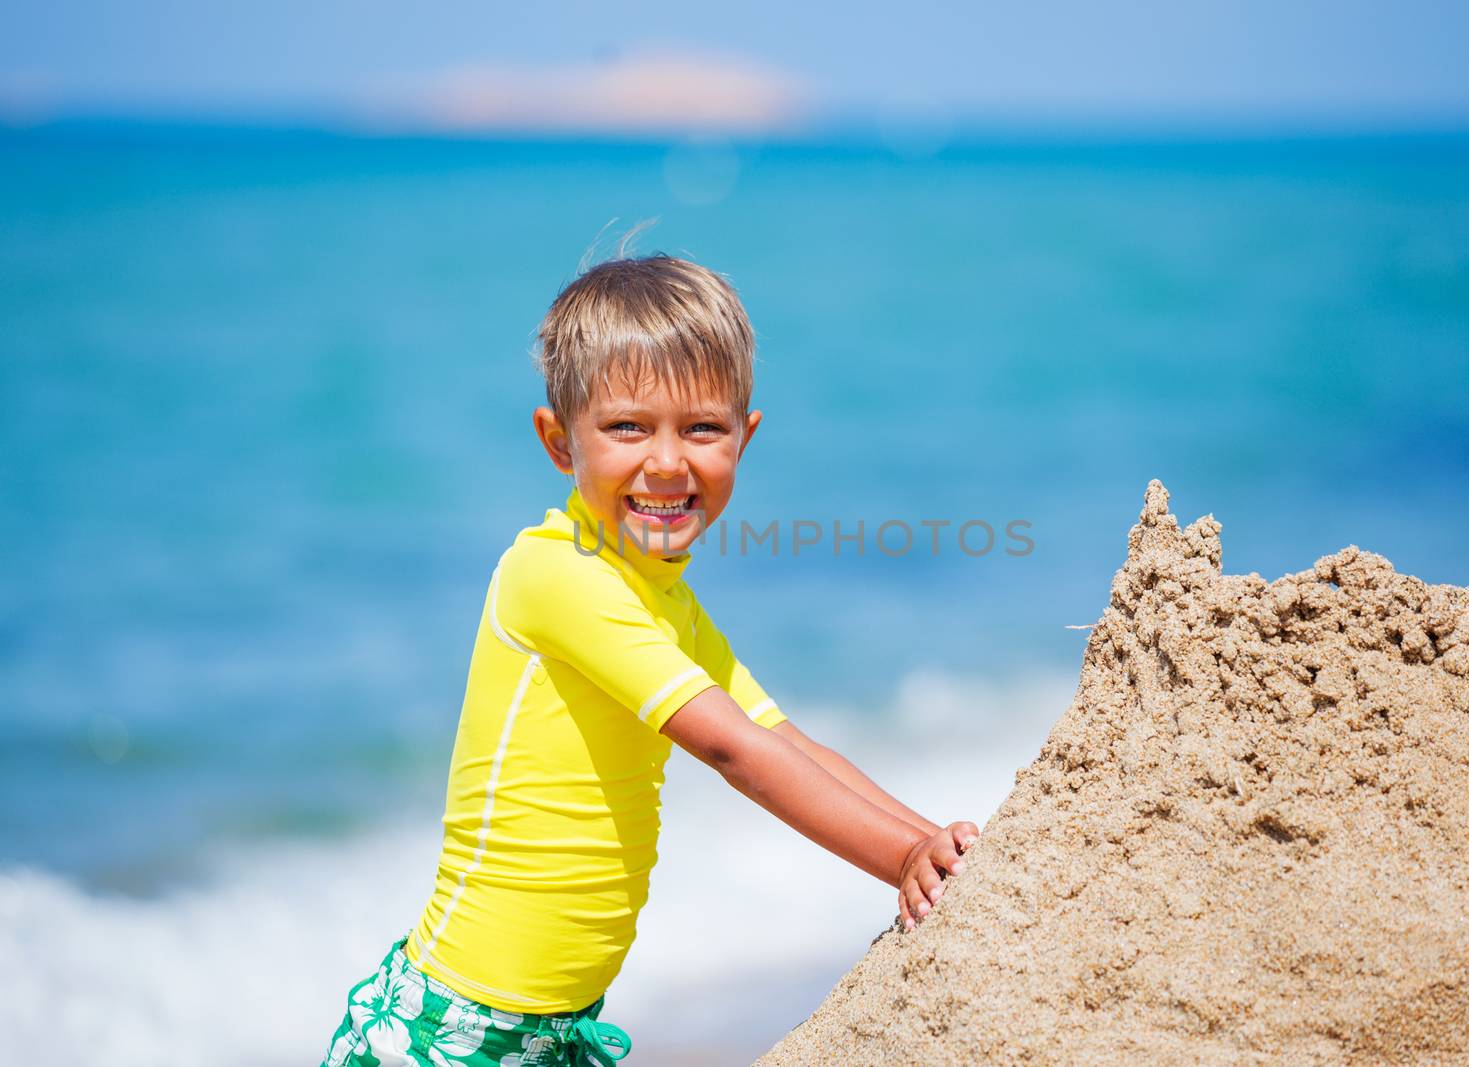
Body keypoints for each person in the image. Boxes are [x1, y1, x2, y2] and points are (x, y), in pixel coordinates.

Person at [321, 252, 978, 1066]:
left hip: (555, 1029)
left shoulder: (662, 597)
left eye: (702, 428)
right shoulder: (557, 573)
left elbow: (783, 738)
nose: (667, 461)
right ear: (559, 442)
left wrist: (944, 855)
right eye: (628, 427)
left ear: (747, 435)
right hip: (454, 1030)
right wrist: (902, 860)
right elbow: (733, 749)